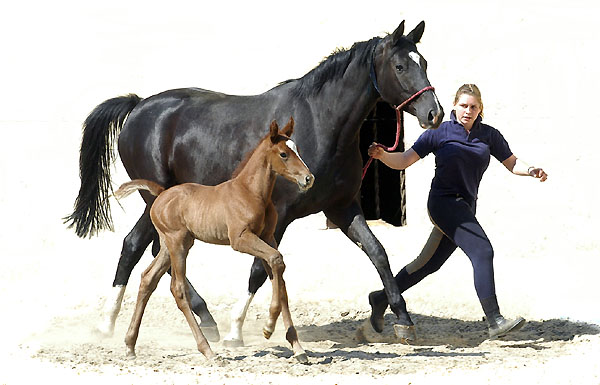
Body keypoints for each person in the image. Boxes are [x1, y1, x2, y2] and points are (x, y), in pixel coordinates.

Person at [367, 84, 548, 340]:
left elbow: (511, 162)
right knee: (483, 250)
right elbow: (405, 160)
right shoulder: (439, 131)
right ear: (454, 105)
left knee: (428, 263)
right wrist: (383, 155)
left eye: (473, 107)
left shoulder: (489, 135)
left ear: (480, 109)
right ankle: (495, 320)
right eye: (464, 105)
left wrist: (531, 170)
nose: (468, 110)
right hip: (443, 202)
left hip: (465, 207)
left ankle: (382, 297)